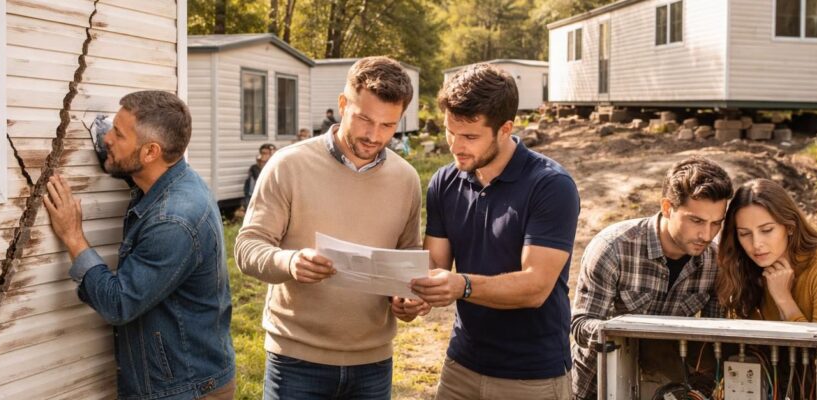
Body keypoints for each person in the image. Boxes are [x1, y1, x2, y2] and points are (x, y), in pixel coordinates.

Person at [234, 56, 429, 400]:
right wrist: (290, 262)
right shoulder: (288, 165)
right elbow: (248, 247)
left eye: (388, 125)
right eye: (364, 119)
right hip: (296, 359)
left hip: (374, 363)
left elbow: (408, 251)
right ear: (343, 105)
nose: (374, 135)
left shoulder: (406, 179)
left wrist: (408, 295)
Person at [43, 90, 235, 399]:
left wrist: (73, 236)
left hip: (185, 390)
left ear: (150, 153)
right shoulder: (170, 178)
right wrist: (114, 146)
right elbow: (128, 162)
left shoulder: (174, 220)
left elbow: (119, 303)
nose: (108, 139)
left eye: (118, 134)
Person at [410, 63, 581, 400]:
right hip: (461, 366)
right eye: (450, 132)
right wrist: (412, 297)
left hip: (532, 376)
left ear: (505, 129)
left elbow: (535, 287)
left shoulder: (551, 186)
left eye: (470, 136)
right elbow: (435, 266)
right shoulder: (444, 182)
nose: (456, 146)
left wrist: (463, 285)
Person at [570, 156, 733, 400]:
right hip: (598, 386)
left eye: (716, 223)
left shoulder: (716, 260)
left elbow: (712, 343)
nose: (706, 234)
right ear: (667, 208)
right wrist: (625, 333)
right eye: (696, 221)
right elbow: (581, 325)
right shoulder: (613, 248)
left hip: (667, 388)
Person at [716, 178, 817, 325]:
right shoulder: (753, 270)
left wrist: (783, 299)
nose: (756, 244)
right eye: (745, 234)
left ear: (789, 227)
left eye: (766, 230)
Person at [242, 143, 276, 210]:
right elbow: (251, 190)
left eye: (266, 153)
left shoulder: (275, 167)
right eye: (262, 153)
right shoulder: (254, 168)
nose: (264, 155)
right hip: (258, 202)